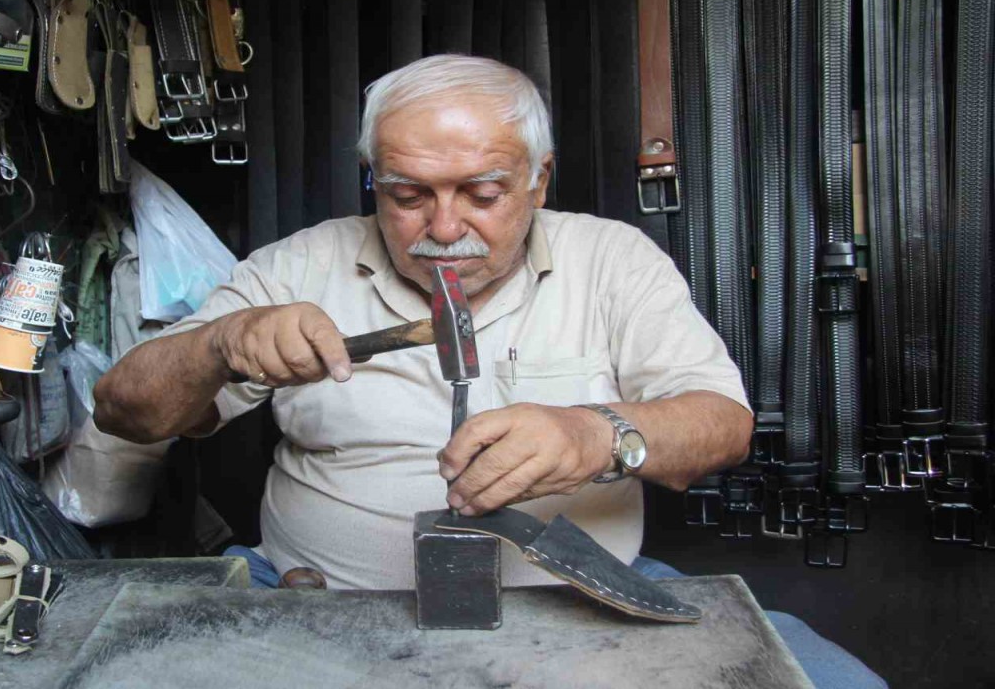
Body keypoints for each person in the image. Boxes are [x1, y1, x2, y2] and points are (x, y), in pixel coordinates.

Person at [94, 55, 884, 688]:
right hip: (316, 602)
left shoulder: (611, 260)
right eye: (407, 195)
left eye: (483, 193)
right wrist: (220, 343)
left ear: (539, 178)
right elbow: (124, 412)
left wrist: (594, 434)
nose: (444, 228)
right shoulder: (302, 263)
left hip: (580, 602)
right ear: (373, 177)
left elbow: (724, 424)